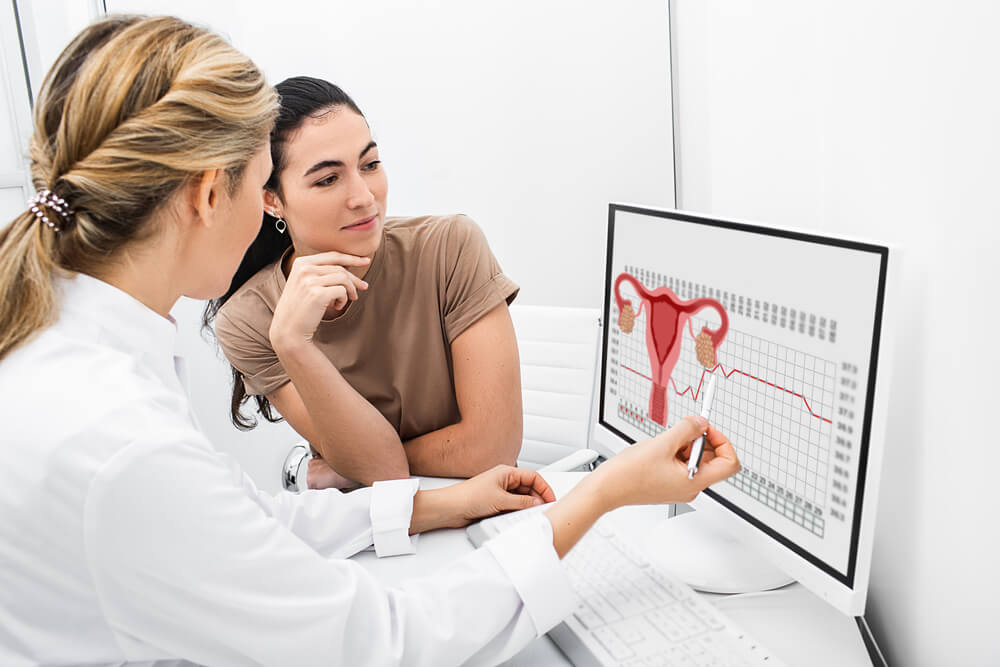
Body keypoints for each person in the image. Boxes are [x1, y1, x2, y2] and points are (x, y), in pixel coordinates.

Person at [0, 15, 740, 666]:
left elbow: (255, 521)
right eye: (283, 179)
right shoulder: (123, 440)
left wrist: (430, 505)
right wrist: (605, 493)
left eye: (372, 163)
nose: (361, 195)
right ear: (211, 195)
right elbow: (386, 640)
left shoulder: (74, 357)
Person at [206, 76, 522, 489]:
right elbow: (379, 472)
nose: (363, 197)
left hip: (481, 507)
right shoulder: (249, 319)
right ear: (272, 199)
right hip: (367, 530)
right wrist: (292, 343)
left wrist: (344, 469)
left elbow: (492, 450)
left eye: (369, 165)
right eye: (327, 179)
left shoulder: (450, 248)